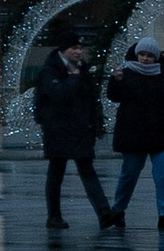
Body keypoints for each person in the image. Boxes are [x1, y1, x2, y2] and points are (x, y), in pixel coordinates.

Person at [33, 35, 111, 228]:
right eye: (74, 48)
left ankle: (104, 213)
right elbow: (58, 95)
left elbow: (91, 100)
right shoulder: (50, 72)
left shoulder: (83, 71)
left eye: (80, 48)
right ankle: (54, 215)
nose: (78, 52)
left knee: (87, 170)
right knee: (56, 172)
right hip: (58, 130)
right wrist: (73, 78)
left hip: (80, 130)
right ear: (63, 50)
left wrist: (95, 124)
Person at [105, 38, 164, 227]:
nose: (145, 59)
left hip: (159, 134)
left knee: (163, 174)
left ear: (155, 58)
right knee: (129, 174)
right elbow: (114, 96)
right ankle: (118, 209)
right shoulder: (127, 74)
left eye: (149, 56)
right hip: (135, 135)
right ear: (137, 55)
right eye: (142, 55)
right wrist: (115, 81)